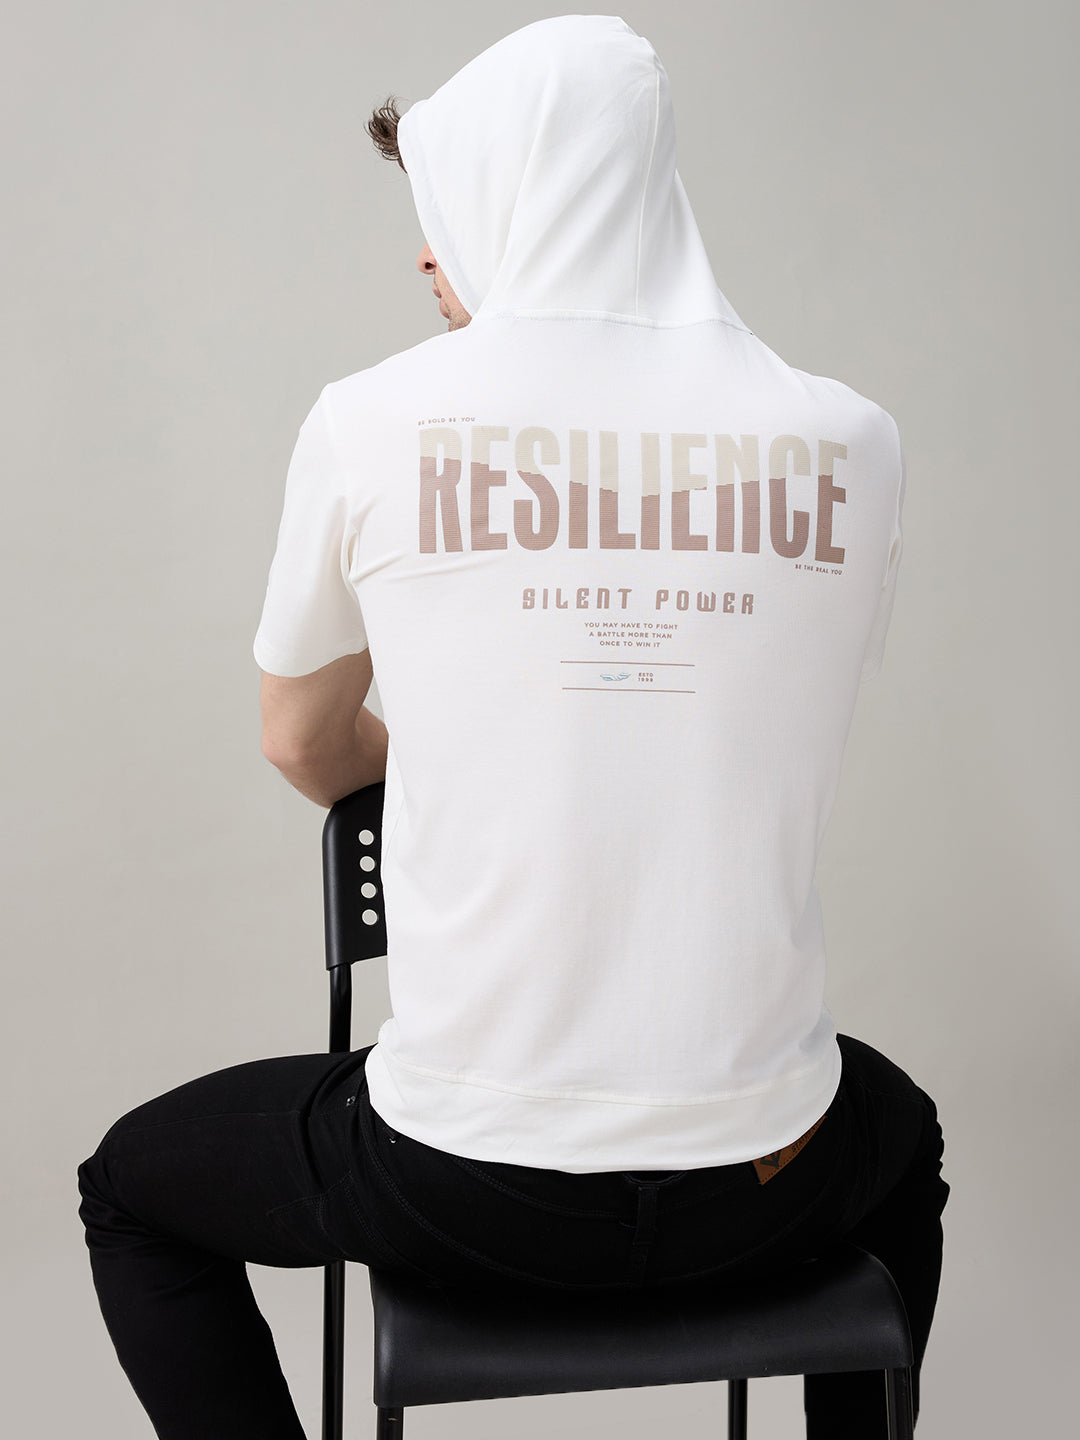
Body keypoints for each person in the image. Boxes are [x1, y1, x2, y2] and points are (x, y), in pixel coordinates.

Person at [78, 16, 949, 1439]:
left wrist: (447, 762)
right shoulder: (853, 439)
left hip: (463, 1185)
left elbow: (302, 742)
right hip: (767, 1182)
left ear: (520, 201)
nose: (429, 257)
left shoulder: (373, 421)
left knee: (130, 1188)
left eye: (447, 206)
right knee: (899, 1138)